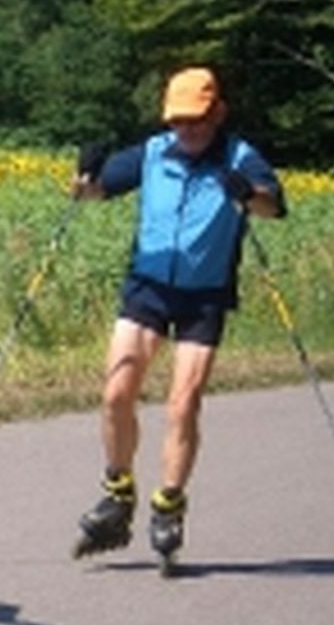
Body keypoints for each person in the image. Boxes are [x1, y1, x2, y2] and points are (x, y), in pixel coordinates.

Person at [69, 66, 286, 569]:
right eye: (179, 120)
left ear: (217, 114)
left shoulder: (239, 156)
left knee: (183, 401)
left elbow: (273, 207)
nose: (186, 130)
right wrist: (84, 175)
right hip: (147, 287)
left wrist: (248, 195)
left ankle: (168, 505)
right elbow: (92, 192)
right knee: (116, 391)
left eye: (196, 121)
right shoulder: (152, 153)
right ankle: (118, 493)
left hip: (204, 296)